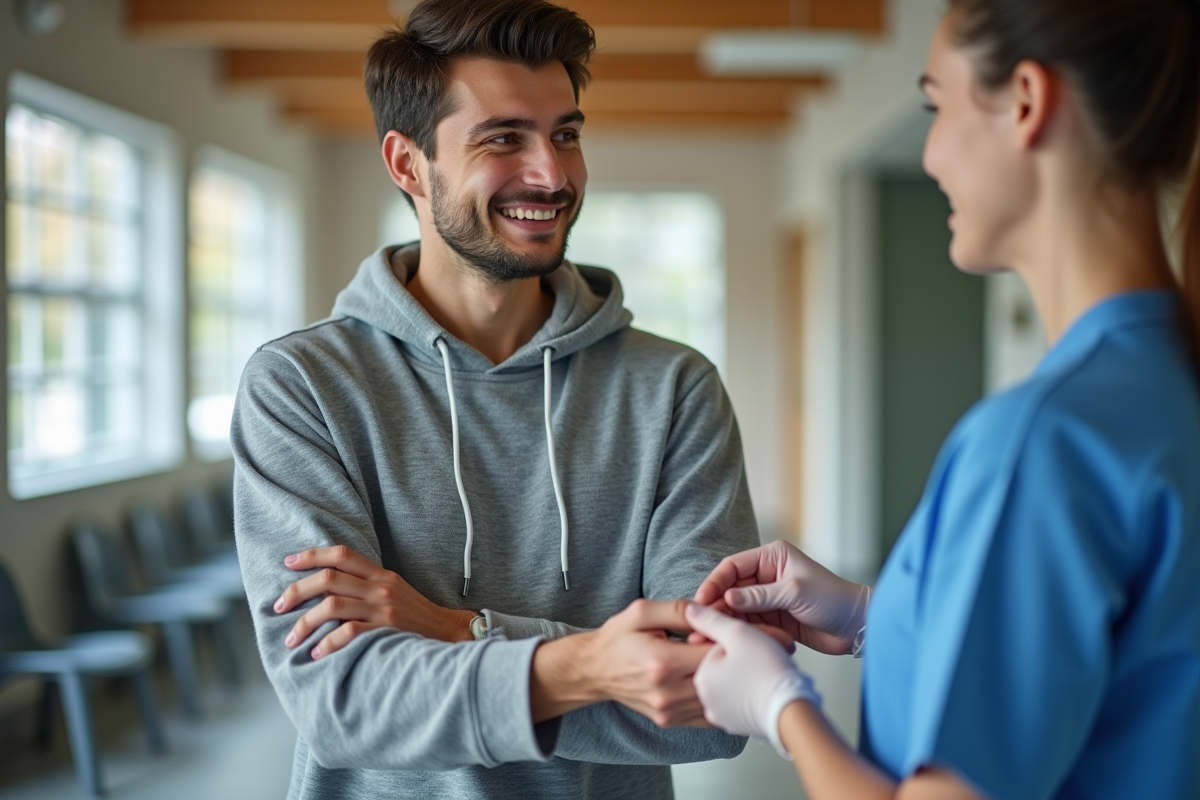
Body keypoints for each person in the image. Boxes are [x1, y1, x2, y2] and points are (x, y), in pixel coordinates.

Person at [229, 0, 768, 798]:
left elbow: (714, 702)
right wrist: (599, 664)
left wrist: (460, 631)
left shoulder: (674, 389)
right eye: (503, 139)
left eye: (566, 134)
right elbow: (344, 706)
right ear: (408, 164)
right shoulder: (302, 386)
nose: (552, 175)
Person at [683, 0, 1200, 798]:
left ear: (1025, 102)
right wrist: (878, 615)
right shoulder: (1165, 386)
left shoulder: (1041, 441)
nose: (929, 155)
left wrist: (779, 704)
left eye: (936, 105)